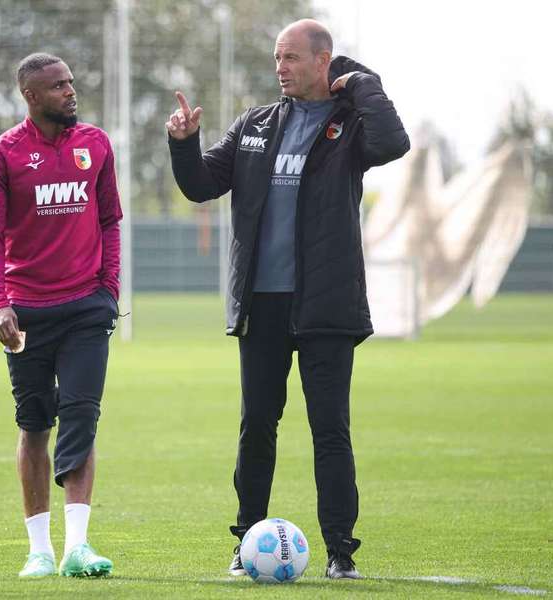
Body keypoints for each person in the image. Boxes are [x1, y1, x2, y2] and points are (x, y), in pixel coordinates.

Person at [166, 19, 409, 579]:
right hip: (263, 304)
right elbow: (202, 183)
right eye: (278, 58)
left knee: (330, 428)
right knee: (257, 426)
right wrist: (183, 144)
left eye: (292, 58)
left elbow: (395, 142)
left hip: (326, 304)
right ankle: (246, 538)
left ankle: (340, 553)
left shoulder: (350, 124)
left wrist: (360, 82)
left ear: (324, 62)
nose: (281, 67)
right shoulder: (255, 124)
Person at [0, 52, 122, 578]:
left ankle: (77, 546)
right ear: (31, 96)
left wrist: (108, 288)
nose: (70, 91)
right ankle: (38, 549)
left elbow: (110, 219)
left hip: (86, 306)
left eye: (71, 83)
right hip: (27, 312)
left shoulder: (96, 144)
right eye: (57, 86)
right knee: (35, 423)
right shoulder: (0, 156)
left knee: (82, 414)